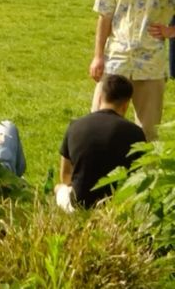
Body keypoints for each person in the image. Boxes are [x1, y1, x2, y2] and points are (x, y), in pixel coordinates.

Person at [89, 0, 175, 140]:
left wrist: (171, 31)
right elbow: (105, 15)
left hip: (151, 64)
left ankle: (145, 176)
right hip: (117, 57)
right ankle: (100, 173)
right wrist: (98, 57)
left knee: (147, 133)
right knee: (99, 125)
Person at [56, 74, 146, 211]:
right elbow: (139, 178)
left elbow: (65, 176)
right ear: (126, 104)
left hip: (78, 205)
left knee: (59, 188)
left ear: (99, 98)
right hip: (118, 206)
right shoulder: (136, 133)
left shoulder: (75, 126)